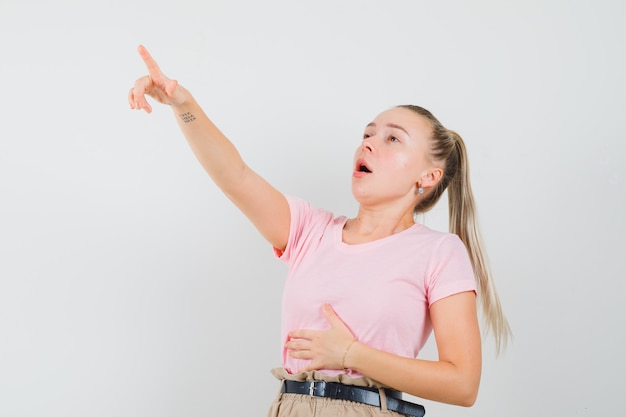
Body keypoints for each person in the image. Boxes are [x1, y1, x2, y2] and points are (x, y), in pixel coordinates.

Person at [129, 45, 510, 417]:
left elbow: (463, 384)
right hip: (290, 406)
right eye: (368, 133)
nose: (369, 143)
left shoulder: (439, 253)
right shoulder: (311, 230)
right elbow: (236, 177)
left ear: (428, 176)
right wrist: (184, 106)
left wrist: (351, 355)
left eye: (392, 138)